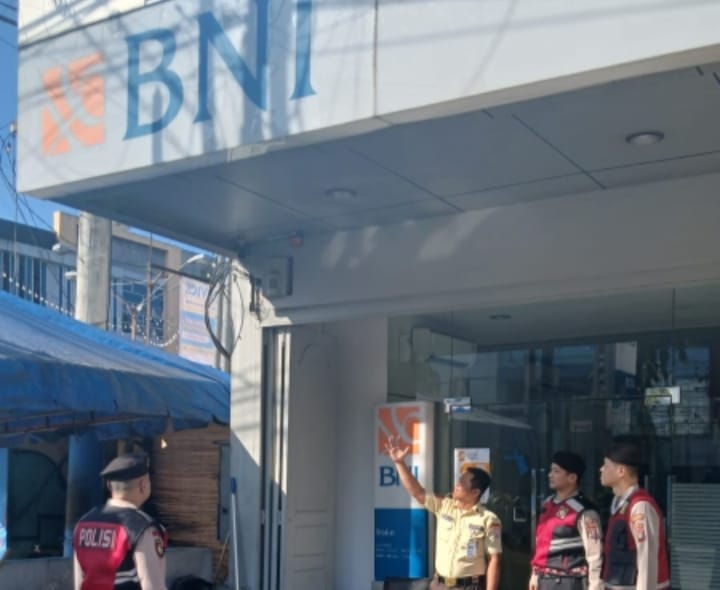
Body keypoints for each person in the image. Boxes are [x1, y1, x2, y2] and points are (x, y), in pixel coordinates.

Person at [385, 436, 502, 590]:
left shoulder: (488, 519)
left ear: (475, 492)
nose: (457, 485)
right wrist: (399, 463)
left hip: (469, 586)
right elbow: (417, 492)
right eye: (458, 480)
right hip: (439, 585)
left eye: (462, 483)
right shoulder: (444, 506)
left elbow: (494, 560)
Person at [73, 452, 168, 590]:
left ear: (109, 486)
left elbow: (79, 583)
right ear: (143, 484)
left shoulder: (83, 524)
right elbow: (153, 586)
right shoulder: (141, 528)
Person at [600, 442, 669, 590]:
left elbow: (646, 558)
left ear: (621, 471)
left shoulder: (640, 505)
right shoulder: (619, 504)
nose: (601, 469)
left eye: (606, 465)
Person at [529, 451, 603, 590]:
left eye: (556, 471)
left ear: (572, 477)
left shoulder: (584, 510)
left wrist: (595, 584)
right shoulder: (548, 504)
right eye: (551, 470)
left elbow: (594, 553)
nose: (550, 475)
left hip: (569, 581)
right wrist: (535, 574)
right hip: (544, 579)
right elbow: (541, 542)